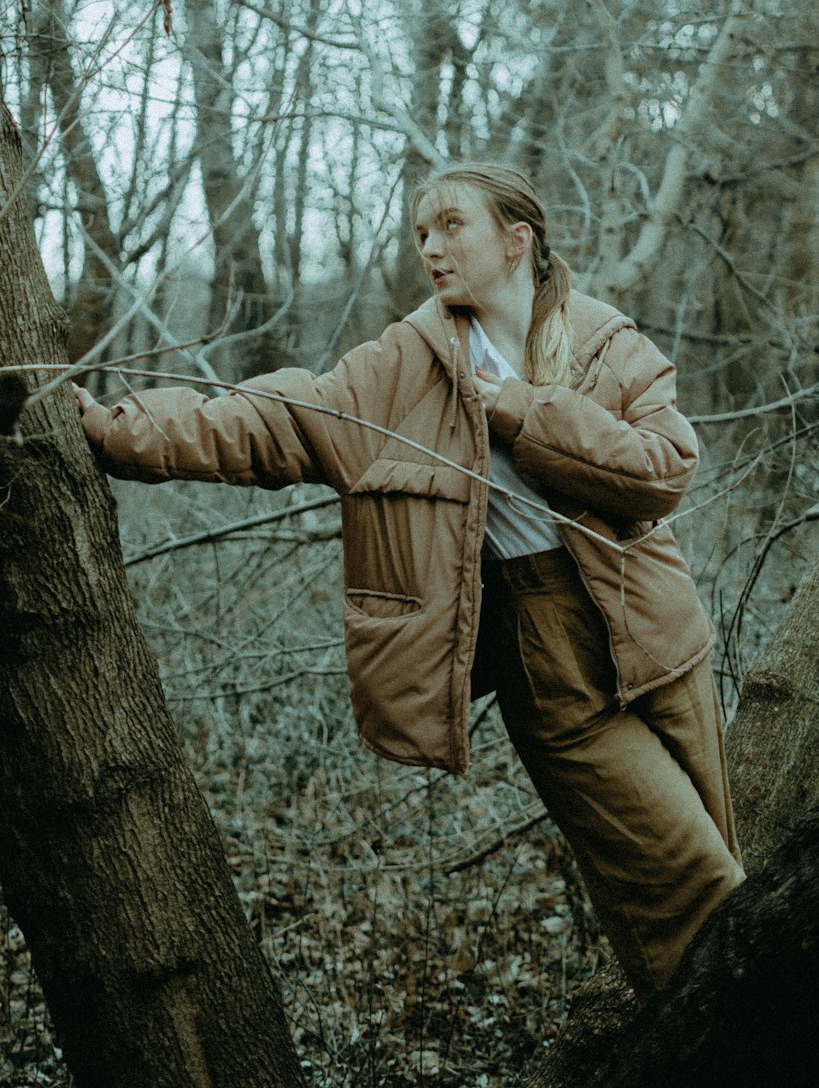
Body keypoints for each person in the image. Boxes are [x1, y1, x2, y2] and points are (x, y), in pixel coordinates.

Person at [75, 162, 744, 1000]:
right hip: (547, 659)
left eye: (450, 226)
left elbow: (660, 473)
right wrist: (112, 429)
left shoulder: (604, 341)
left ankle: (716, 1042)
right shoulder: (407, 364)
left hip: (663, 635)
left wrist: (517, 411)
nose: (430, 246)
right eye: (421, 232)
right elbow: (274, 421)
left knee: (719, 864)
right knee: (686, 881)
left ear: (516, 239)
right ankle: (791, 1057)